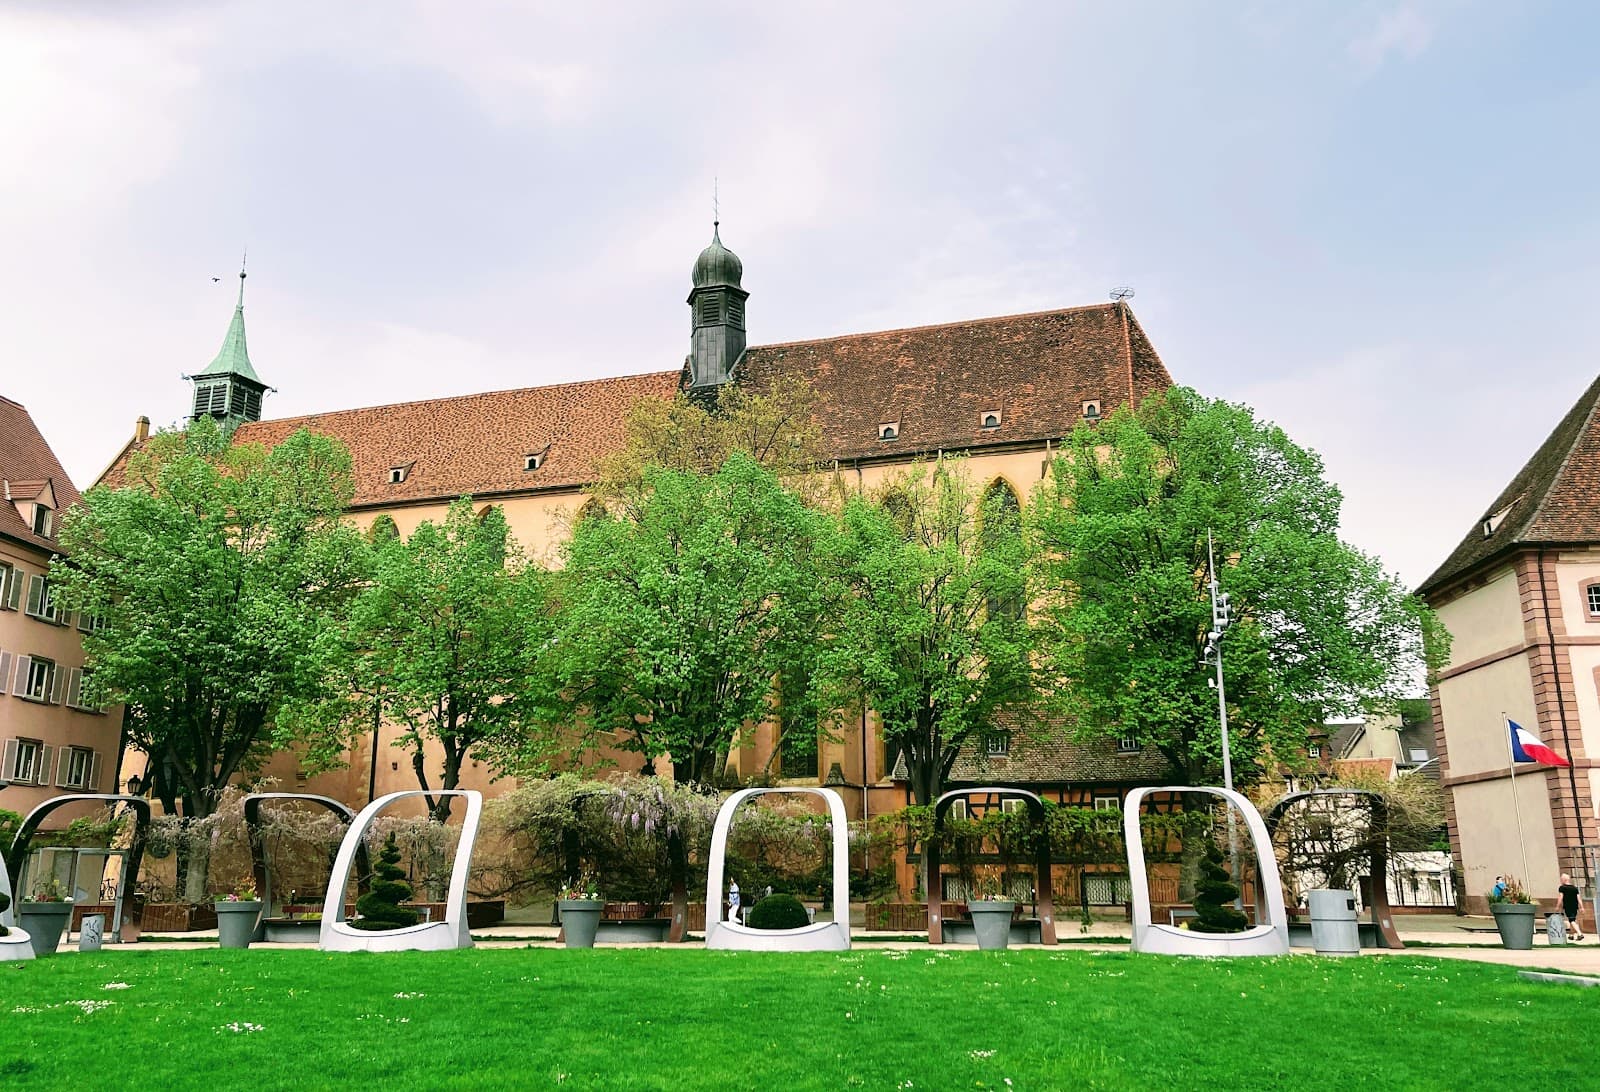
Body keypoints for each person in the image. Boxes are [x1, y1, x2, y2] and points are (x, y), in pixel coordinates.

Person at [1558, 873, 1584, 941]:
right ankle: (1571, 935)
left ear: (1564, 880)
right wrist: (1581, 907)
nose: (1561, 881)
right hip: (1575, 906)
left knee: (1572, 920)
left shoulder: (1562, 888)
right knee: (1572, 920)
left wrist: (1557, 906)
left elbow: (1560, 897)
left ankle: (1579, 933)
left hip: (1568, 906)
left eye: (1561, 879)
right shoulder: (1574, 888)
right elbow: (1579, 898)